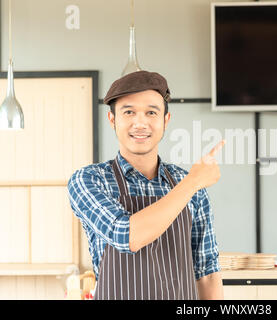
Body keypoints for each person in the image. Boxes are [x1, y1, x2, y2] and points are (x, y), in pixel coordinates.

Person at [67, 70, 225, 300]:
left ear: (165, 121)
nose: (140, 123)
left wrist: (191, 183)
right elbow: (125, 236)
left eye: (151, 112)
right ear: (112, 120)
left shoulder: (188, 183)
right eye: (129, 112)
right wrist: (192, 182)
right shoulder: (90, 180)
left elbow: (207, 272)